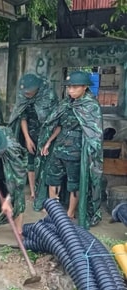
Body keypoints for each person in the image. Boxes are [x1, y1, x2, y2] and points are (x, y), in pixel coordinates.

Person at [35, 71, 103, 228]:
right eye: (69, 87)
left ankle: (70, 213)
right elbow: (59, 125)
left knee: (74, 184)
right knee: (52, 178)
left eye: (74, 87)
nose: (70, 90)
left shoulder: (91, 106)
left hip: (76, 152)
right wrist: (48, 143)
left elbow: (94, 135)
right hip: (59, 148)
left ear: (85, 87)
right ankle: (52, 210)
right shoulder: (66, 103)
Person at [8, 73, 58, 199]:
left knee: (44, 163)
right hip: (30, 134)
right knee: (30, 163)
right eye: (25, 92)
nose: (27, 95)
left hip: (46, 135)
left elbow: (54, 119)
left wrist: (48, 140)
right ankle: (32, 191)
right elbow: (22, 117)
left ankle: (44, 191)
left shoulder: (48, 95)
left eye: (29, 92)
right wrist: (27, 138)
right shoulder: (23, 96)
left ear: (37, 89)